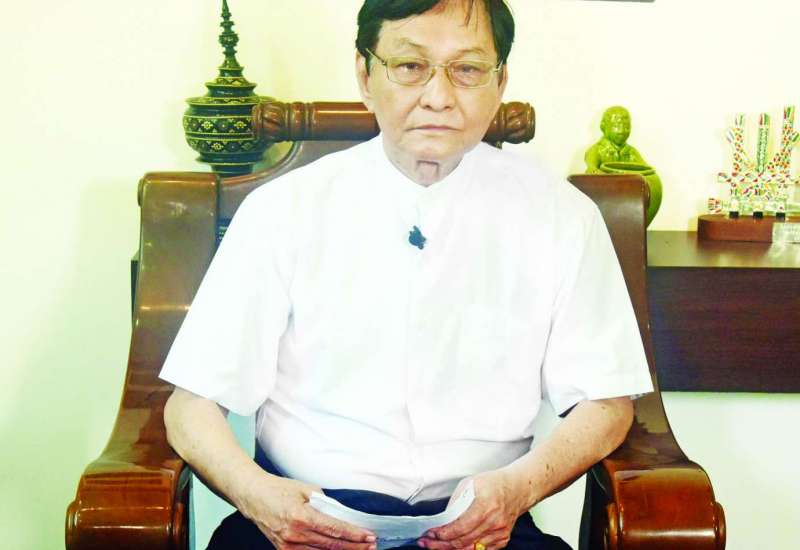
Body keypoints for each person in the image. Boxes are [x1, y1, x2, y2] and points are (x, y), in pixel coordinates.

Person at [160, 1, 654, 549]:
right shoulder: (282, 210)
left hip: (484, 529)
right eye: (410, 66)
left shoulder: (563, 216)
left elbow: (606, 403)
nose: (438, 97)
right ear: (365, 75)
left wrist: (519, 490)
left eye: (467, 69)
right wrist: (260, 498)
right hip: (302, 529)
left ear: (500, 82)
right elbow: (191, 407)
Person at [584, 106, 647, 173]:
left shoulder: (631, 152)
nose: (622, 131)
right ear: (603, 126)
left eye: (627, 126)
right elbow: (591, 169)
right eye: (616, 126)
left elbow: (647, 170)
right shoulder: (597, 150)